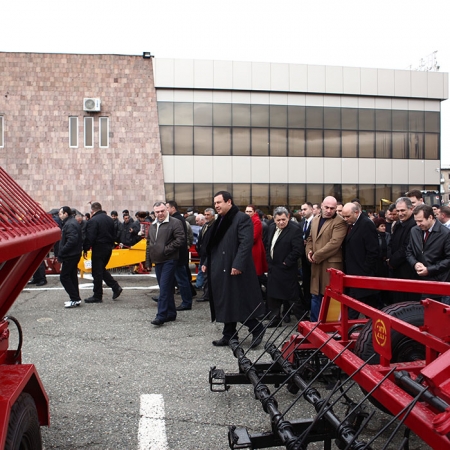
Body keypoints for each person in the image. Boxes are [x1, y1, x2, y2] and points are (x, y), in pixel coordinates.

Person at [203, 191, 265, 348]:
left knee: (237, 302)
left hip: (234, 267)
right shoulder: (220, 220)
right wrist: (206, 261)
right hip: (220, 266)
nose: (216, 205)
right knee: (226, 301)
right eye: (215, 203)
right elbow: (213, 245)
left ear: (229, 202)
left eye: (219, 202)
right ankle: (229, 334)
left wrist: (238, 264)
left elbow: (246, 243)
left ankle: (257, 328)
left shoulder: (241, 218)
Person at [305, 196, 347, 322]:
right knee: (315, 295)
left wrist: (316, 255)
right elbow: (310, 239)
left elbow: (335, 243)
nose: (329, 210)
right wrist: (309, 252)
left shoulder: (340, 222)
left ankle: (330, 327)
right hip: (316, 264)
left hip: (331, 265)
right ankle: (314, 326)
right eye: (326, 207)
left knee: (331, 297)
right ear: (321, 206)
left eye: (332, 208)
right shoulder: (315, 219)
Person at [145, 202, 185, 325]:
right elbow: (148, 244)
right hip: (158, 261)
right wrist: (147, 261)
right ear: (154, 212)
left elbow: (180, 239)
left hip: (169, 259)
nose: (160, 213)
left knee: (164, 288)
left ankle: (161, 315)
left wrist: (165, 250)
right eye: (157, 212)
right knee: (165, 287)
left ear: (166, 210)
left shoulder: (175, 222)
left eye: (162, 210)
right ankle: (171, 313)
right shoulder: (152, 225)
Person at [266, 206, 304, 326]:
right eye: (278, 220)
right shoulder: (271, 227)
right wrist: (269, 260)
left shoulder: (295, 229)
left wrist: (286, 262)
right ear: (274, 219)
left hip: (286, 269)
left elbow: (298, 250)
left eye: (283, 219)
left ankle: (303, 323)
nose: (281, 222)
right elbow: (268, 245)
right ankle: (275, 320)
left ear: (288, 217)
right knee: (273, 296)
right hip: (273, 268)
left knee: (292, 297)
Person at [341, 202, 380, 318]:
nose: (345, 219)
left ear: (356, 212)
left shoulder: (366, 224)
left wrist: (365, 270)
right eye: (343, 216)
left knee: (355, 308)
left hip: (362, 274)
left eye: (347, 216)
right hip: (353, 273)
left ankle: (346, 332)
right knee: (368, 307)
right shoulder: (351, 224)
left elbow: (373, 251)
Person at [406, 204, 450, 302]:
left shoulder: (445, 233)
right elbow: (409, 251)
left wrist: (429, 270)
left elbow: (448, 259)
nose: (418, 224)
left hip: (438, 285)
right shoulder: (414, 230)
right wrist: (415, 263)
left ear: (430, 217)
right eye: (416, 221)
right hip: (418, 282)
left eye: (420, 221)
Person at [83, 202, 123, 303]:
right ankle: (115, 287)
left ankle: (97, 295)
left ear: (92, 211)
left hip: (99, 247)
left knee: (97, 272)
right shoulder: (110, 219)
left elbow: (90, 236)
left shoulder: (93, 221)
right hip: (108, 247)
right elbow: (115, 234)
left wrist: (85, 248)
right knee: (100, 270)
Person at [387, 197, 421, 303]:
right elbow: (391, 243)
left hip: (408, 269)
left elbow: (407, 247)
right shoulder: (398, 224)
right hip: (396, 269)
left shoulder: (415, 225)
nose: (400, 213)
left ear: (411, 209)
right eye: (398, 211)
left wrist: (392, 261)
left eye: (403, 210)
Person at [166, 201, 195, 309]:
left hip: (178, 255)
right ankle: (164, 296)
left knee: (182, 279)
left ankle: (187, 302)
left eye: (167, 207)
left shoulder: (177, 219)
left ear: (173, 208)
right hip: (177, 254)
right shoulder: (178, 218)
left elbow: (178, 238)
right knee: (173, 278)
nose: (166, 210)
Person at [57, 206, 83, 308]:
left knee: (64, 277)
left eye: (60, 214)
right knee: (72, 276)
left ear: (66, 214)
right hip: (73, 253)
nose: (59, 216)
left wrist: (62, 251)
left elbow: (72, 240)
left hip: (70, 255)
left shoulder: (70, 224)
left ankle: (75, 298)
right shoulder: (71, 222)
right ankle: (75, 298)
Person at [245, 205, 268, 298]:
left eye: (250, 211)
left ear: (254, 212)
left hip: (255, 249)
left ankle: (266, 292)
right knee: (255, 274)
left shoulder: (256, 221)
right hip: (251, 248)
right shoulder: (248, 220)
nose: (248, 213)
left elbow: (253, 237)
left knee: (257, 272)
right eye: (246, 211)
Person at [195, 208, 215, 302]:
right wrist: (199, 249)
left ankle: (207, 295)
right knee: (204, 274)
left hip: (210, 254)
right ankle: (206, 293)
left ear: (213, 215)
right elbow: (201, 239)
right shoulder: (205, 226)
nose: (206, 216)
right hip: (203, 254)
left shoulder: (215, 226)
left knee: (207, 275)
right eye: (205, 214)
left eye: (208, 215)